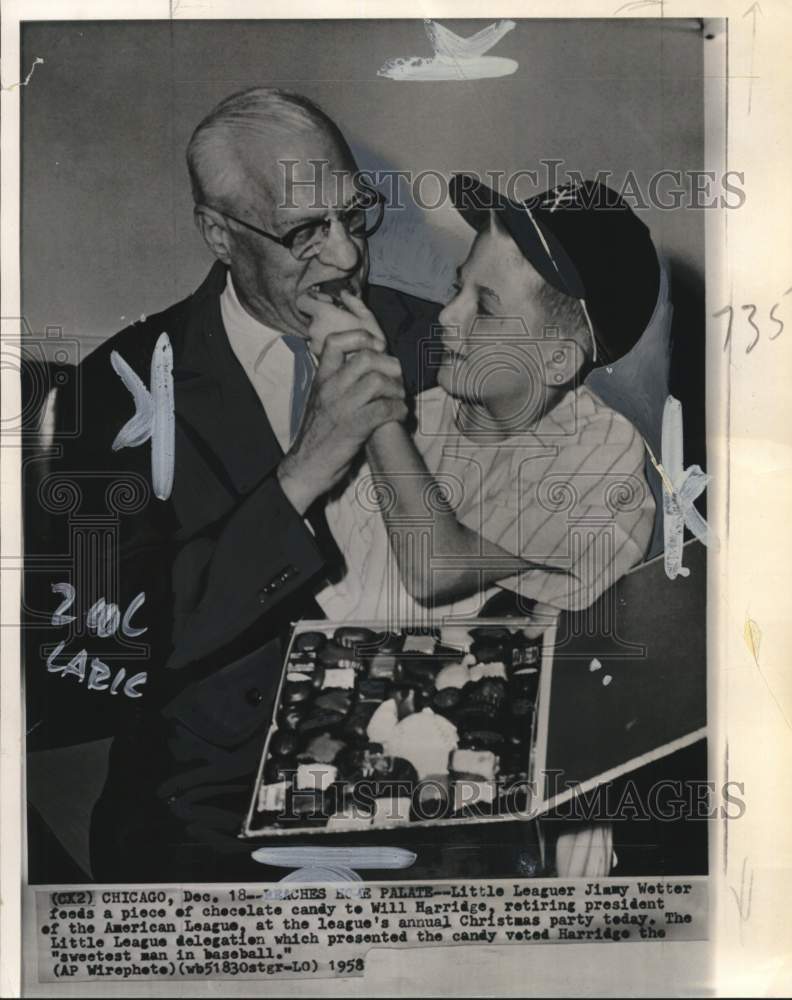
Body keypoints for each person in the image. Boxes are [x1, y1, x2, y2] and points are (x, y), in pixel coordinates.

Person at [24, 87, 439, 882]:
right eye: (304, 232)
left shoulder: (442, 344)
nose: (347, 257)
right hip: (203, 826)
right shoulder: (114, 387)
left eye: (354, 217)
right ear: (219, 234)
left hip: (425, 805)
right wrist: (303, 471)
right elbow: (113, 640)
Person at [311, 175, 663, 627]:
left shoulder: (604, 454)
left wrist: (372, 396)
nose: (447, 315)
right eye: (457, 288)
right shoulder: (426, 411)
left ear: (558, 360)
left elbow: (436, 568)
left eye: (486, 309)